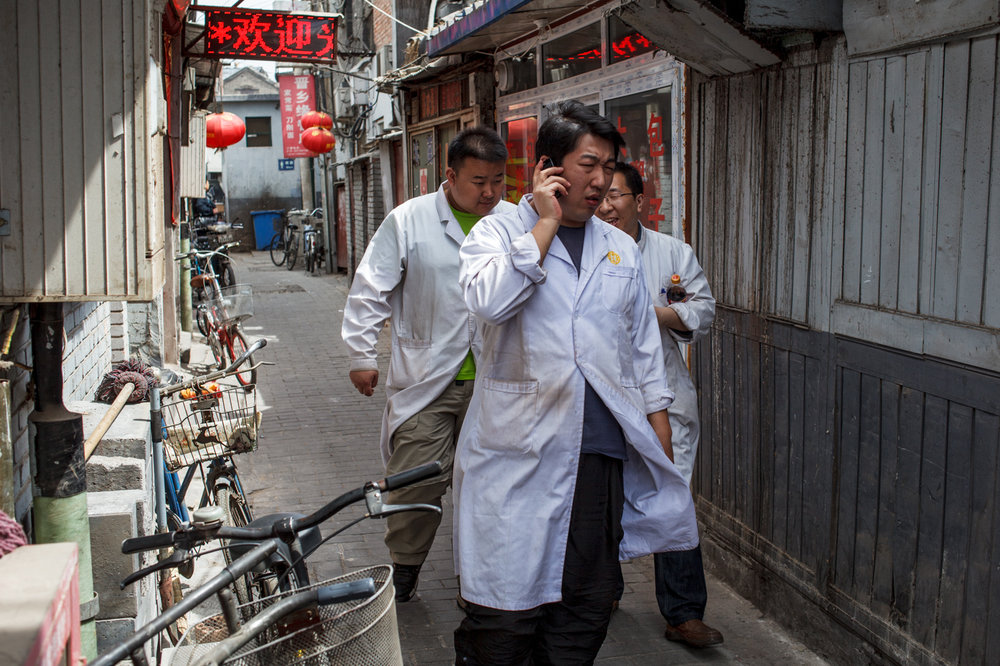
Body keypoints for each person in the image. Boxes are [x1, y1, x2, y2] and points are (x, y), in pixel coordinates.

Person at [453, 100, 699, 663]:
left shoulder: (620, 249)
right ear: (548, 168)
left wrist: (658, 431)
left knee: (587, 602)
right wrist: (542, 222)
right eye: (589, 164)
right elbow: (490, 302)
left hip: (598, 454)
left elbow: (641, 350)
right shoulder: (496, 233)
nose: (600, 180)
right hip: (518, 452)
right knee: (504, 611)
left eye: (609, 167)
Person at [341, 127, 513, 602]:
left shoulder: (517, 221)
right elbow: (370, 288)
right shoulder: (409, 220)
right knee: (417, 480)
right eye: (479, 181)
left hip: (499, 381)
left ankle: (480, 580)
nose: (489, 192)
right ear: (451, 175)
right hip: (428, 380)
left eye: (498, 180)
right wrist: (361, 353)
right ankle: (406, 571)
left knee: (491, 486)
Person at [598, 162, 723, 648]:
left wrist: (652, 313)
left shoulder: (672, 252)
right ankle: (602, 590)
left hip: (665, 397)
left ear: (640, 200)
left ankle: (684, 613)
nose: (606, 206)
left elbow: (702, 308)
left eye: (616, 195)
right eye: (599, 196)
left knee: (673, 499)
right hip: (606, 399)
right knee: (603, 495)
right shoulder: (584, 250)